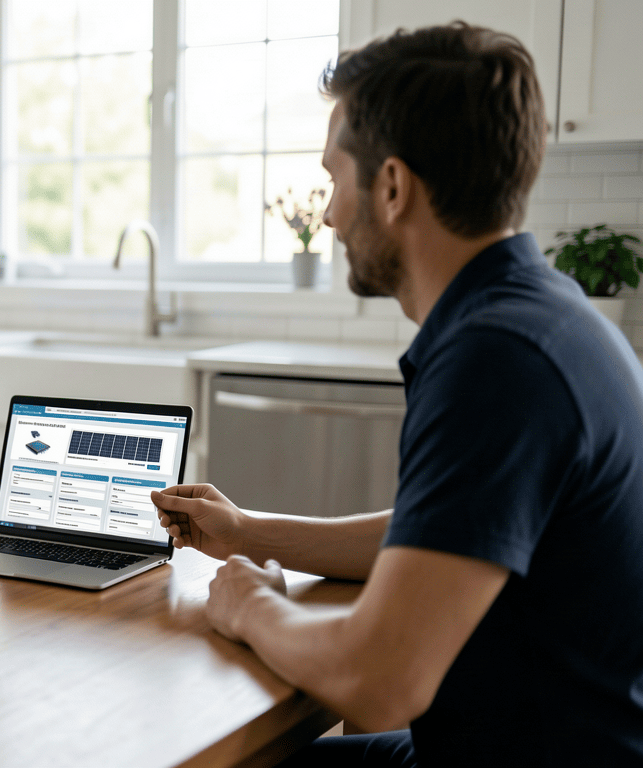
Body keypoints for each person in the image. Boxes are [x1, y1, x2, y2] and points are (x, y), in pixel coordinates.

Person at [153, 24, 643, 767]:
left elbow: (375, 678)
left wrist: (247, 604)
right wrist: (249, 531)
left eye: (334, 178)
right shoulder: (542, 314)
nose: (327, 216)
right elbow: (445, 532)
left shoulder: (496, 360)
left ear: (391, 186)